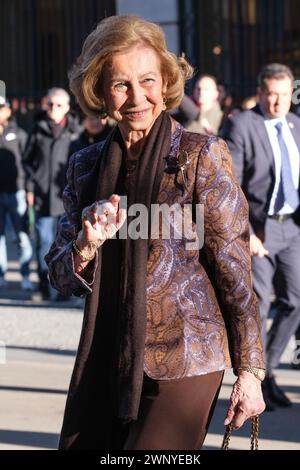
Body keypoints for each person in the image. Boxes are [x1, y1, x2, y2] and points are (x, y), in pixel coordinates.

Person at [45, 15, 265, 450]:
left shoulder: (201, 156)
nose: (136, 96)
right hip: (107, 358)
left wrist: (250, 371)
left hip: (187, 359)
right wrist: (85, 246)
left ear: (165, 83)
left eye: (147, 79)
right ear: (99, 92)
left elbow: (233, 269)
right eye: (120, 84)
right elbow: (61, 277)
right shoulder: (85, 167)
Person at [221, 63, 300, 411]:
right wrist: (247, 233)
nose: (277, 101)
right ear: (260, 92)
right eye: (271, 93)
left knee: (295, 301)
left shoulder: (297, 125)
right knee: (261, 303)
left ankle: (267, 370)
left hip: (293, 227)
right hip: (260, 229)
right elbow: (230, 185)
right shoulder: (242, 125)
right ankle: (255, 376)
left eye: (283, 94)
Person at [23, 87, 81, 300]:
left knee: (66, 245)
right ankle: (44, 289)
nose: (52, 109)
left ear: (66, 108)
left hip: (66, 199)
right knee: (43, 243)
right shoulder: (37, 129)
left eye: (58, 105)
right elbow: (27, 161)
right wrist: (32, 185)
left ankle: (64, 289)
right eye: (50, 104)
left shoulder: (75, 132)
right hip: (42, 198)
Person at [0, 96, 33, 290]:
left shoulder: (19, 133)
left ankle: (26, 274)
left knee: (22, 235)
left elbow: (27, 164)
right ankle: (1, 274)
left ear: (8, 110)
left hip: (17, 192)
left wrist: (28, 190)